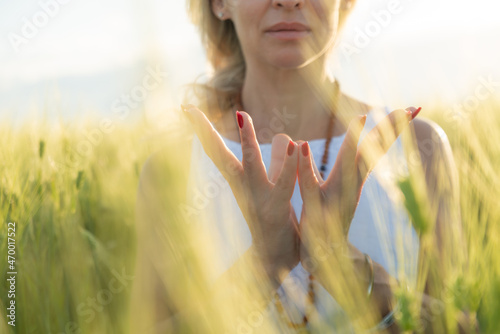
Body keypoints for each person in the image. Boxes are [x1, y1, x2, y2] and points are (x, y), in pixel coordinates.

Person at [131, 0, 471, 333]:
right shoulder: (168, 172)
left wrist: (346, 266)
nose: (289, 1)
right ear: (219, 4)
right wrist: (262, 265)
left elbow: (462, 327)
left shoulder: (417, 148)